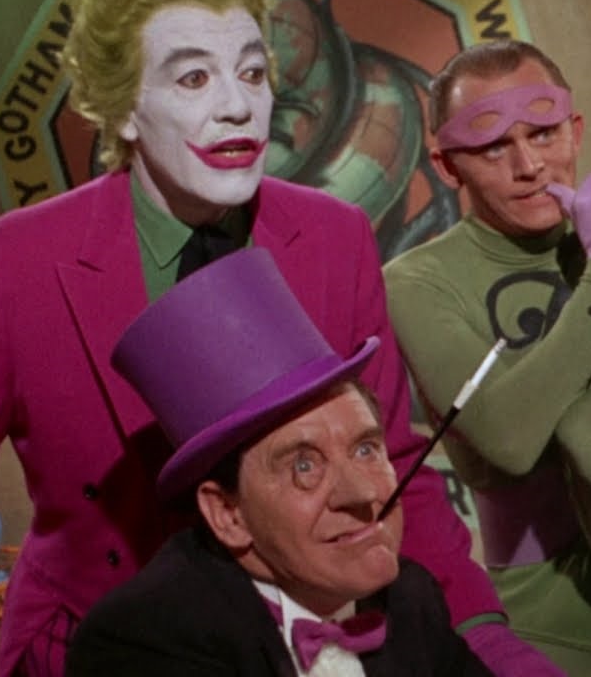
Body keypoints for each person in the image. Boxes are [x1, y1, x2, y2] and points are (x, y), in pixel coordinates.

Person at [0, 0, 556, 677]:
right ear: (123, 110)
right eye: (193, 79)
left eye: (252, 72)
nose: (237, 107)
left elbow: (393, 462)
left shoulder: (336, 236)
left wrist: (484, 638)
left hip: (304, 648)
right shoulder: (7, 267)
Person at [383, 39, 591, 676]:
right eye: (493, 148)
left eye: (543, 134)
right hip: (545, 601)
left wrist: (528, 391)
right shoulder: (415, 281)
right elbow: (509, 440)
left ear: (575, 131)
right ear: (449, 166)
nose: (530, 166)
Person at [65, 247, 492, 676]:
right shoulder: (142, 642)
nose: (364, 493)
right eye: (305, 466)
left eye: (365, 449)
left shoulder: (410, 597)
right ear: (228, 513)